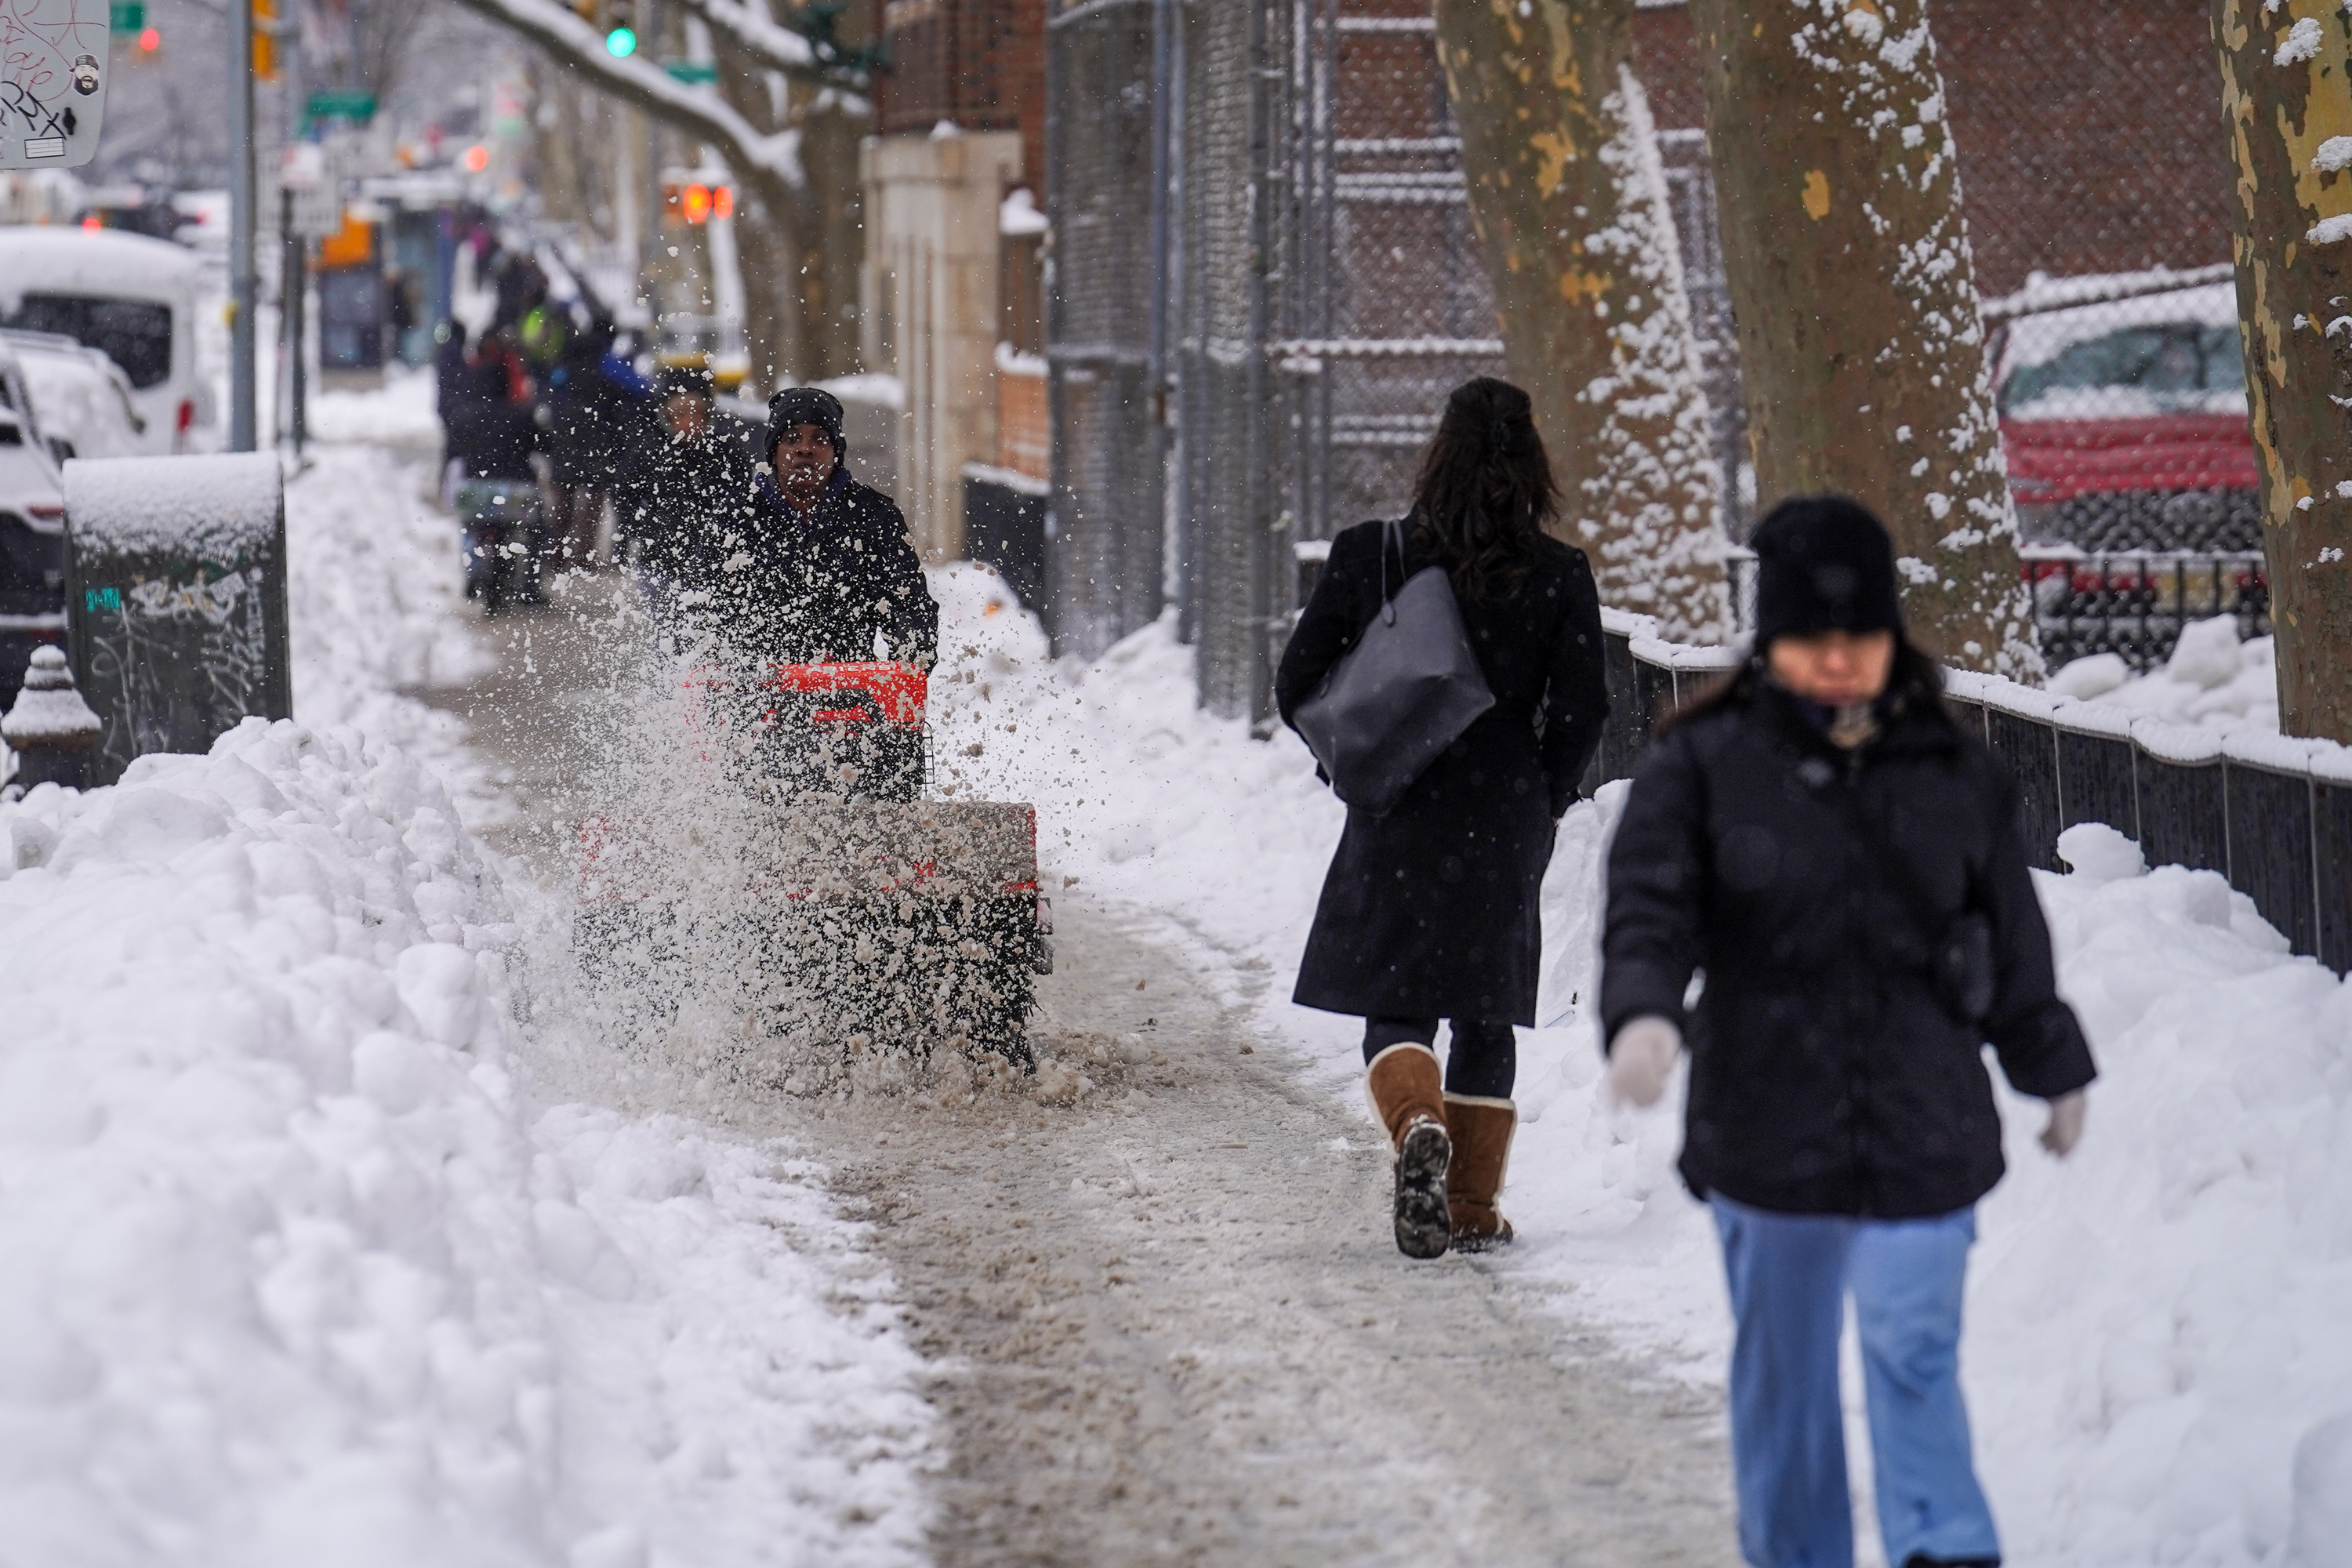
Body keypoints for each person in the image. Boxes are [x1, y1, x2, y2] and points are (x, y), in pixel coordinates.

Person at [1599, 495, 2096, 1568]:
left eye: (1859, 640)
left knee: (1912, 1345)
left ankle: (1946, 1546)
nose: (1838, 662)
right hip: (1766, 1124)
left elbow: (2010, 938)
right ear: (1769, 642)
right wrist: (1642, 1015)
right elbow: (1650, 906)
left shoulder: (1954, 773)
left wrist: (2051, 1065)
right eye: (1811, 642)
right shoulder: (1703, 764)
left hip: (1924, 1119)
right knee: (1786, 1383)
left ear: (1890, 638)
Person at [1276, 376, 1609, 1260]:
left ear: (1440, 454)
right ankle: (1469, 1205)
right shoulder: (1560, 574)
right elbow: (1584, 708)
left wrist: (1349, 763)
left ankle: (1416, 1118)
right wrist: (1543, 795)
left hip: (1401, 797)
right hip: (1501, 813)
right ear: (1531, 461)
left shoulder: (1372, 555)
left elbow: (1295, 683)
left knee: (1398, 1000)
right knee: (1485, 1011)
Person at [625, 364, 758, 630]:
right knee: (668, 634)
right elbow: (625, 496)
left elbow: (747, 498)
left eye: (698, 413)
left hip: (716, 563)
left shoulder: (726, 451)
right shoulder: (648, 452)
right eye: (681, 414)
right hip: (660, 562)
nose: (690, 422)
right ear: (667, 416)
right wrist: (641, 530)